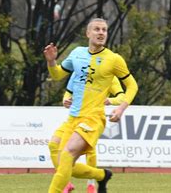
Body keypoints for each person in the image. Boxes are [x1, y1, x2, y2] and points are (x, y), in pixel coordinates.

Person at [43, 18, 139, 193]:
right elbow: (57, 75)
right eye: (97, 29)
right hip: (73, 118)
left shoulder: (113, 59)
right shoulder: (77, 53)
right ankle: (102, 175)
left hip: (93, 118)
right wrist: (51, 62)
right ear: (88, 33)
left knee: (66, 156)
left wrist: (121, 107)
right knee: (64, 161)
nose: (101, 33)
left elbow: (132, 86)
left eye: (104, 30)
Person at [48, 77, 127, 193]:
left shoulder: (109, 75)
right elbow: (68, 92)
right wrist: (66, 100)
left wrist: (110, 100)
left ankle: (91, 185)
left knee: (86, 153)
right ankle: (98, 176)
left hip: (91, 119)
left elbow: (121, 97)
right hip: (73, 119)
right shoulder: (80, 69)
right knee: (53, 145)